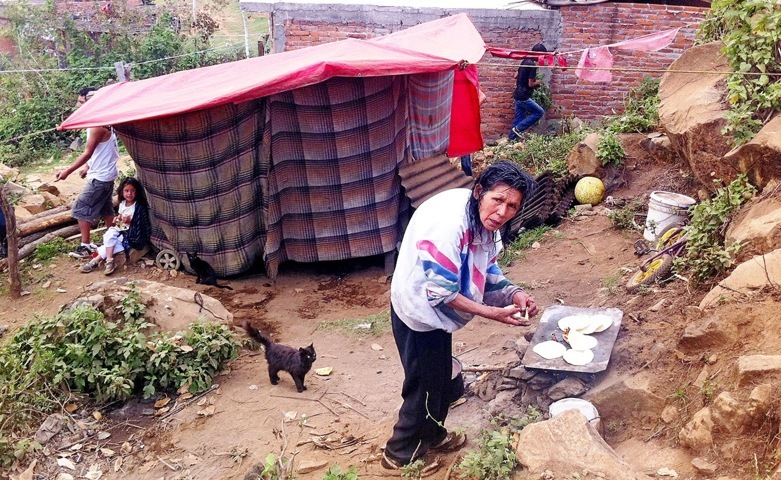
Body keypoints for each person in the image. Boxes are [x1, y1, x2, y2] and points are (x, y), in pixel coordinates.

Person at [382, 161, 540, 474]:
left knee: (440, 375)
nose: (502, 212)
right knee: (423, 383)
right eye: (498, 200)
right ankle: (398, 454)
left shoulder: (486, 223)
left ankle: (433, 435)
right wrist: (493, 313)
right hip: (418, 308)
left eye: (512, 206)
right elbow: (442, 293)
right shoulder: (448, 228)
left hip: (439, 312)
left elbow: (488, 268)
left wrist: (513, 293)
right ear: (479, 192)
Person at [55, 87, 120, 259]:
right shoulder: (103, 120)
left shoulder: (97, 126)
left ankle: (85, 247)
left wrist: (67, 171)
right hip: (106, 174)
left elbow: (88, 152)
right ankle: (113, 240)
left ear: (91, 102)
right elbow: (101, 150)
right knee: (106, 209)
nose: (78, 105)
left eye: (81, 102)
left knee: (80, 208)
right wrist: (88, 167)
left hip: (100, 177)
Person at [80, 177, 151, 275]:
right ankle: (108, 261)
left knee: (112, 244)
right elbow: (120, 223)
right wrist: (117, 220)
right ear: (122, 191)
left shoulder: (138, 206)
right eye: (126, 191)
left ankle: (95, 262)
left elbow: (140, 223)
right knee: (110, 234)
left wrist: (130, 221)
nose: (129, 194)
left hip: (131, 234)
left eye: (132, 191)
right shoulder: (122, 204)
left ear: (137, 191)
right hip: (121, 230)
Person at [508, 43, 548, 141]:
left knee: (518, 119)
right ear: (538, 54)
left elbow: (515, 76)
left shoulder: (525, 61)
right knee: (539, 112)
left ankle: (511, 139)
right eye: (542, 56)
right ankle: (518, 128)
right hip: (524, 96)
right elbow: (530, 84)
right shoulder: (532, 65)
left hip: (517, 94)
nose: (542, 58)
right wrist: (538, 82)